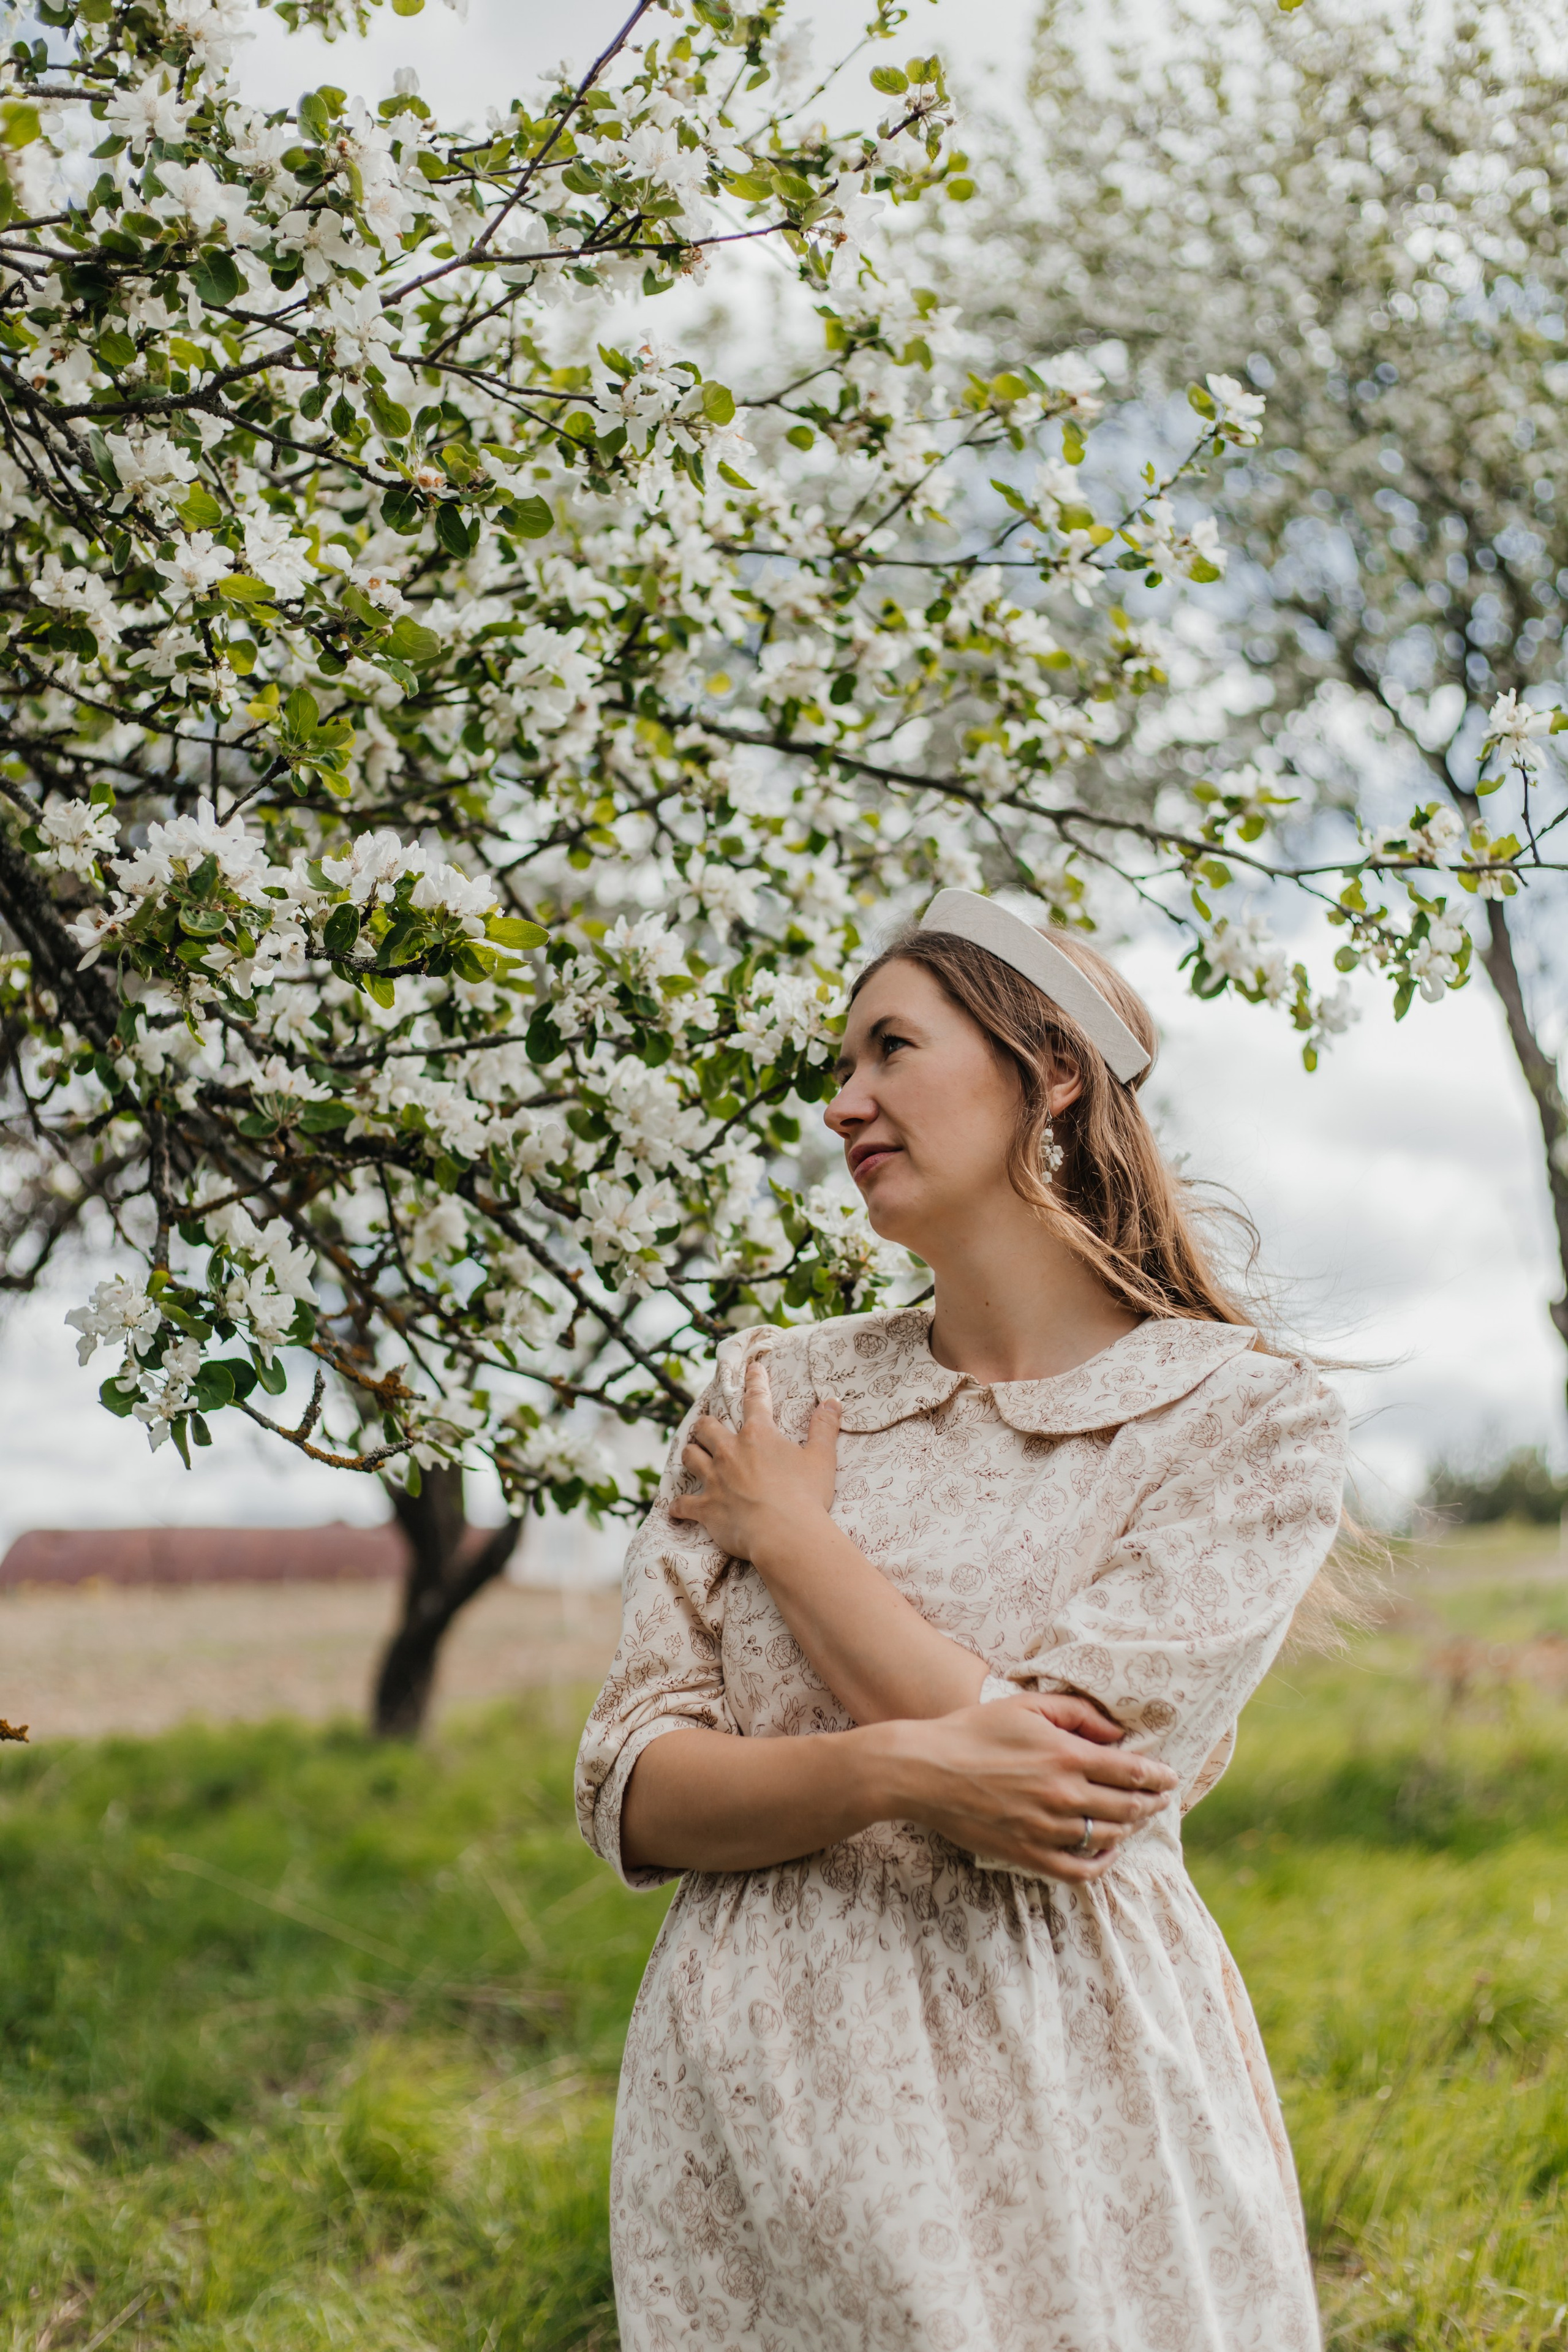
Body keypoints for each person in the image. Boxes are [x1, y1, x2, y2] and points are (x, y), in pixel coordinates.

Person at [575, 888, 1347, 2352]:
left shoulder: (1240, 1418)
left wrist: (793, 1540)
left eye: (887, 1049)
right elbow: (629, 1785)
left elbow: (1054, 1792)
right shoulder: (770, 1389)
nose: (839, 1102)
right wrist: (896, 1772)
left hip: (1061, 2072)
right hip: (752, 2094)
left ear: (1045, 1071)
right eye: (838, 1063)